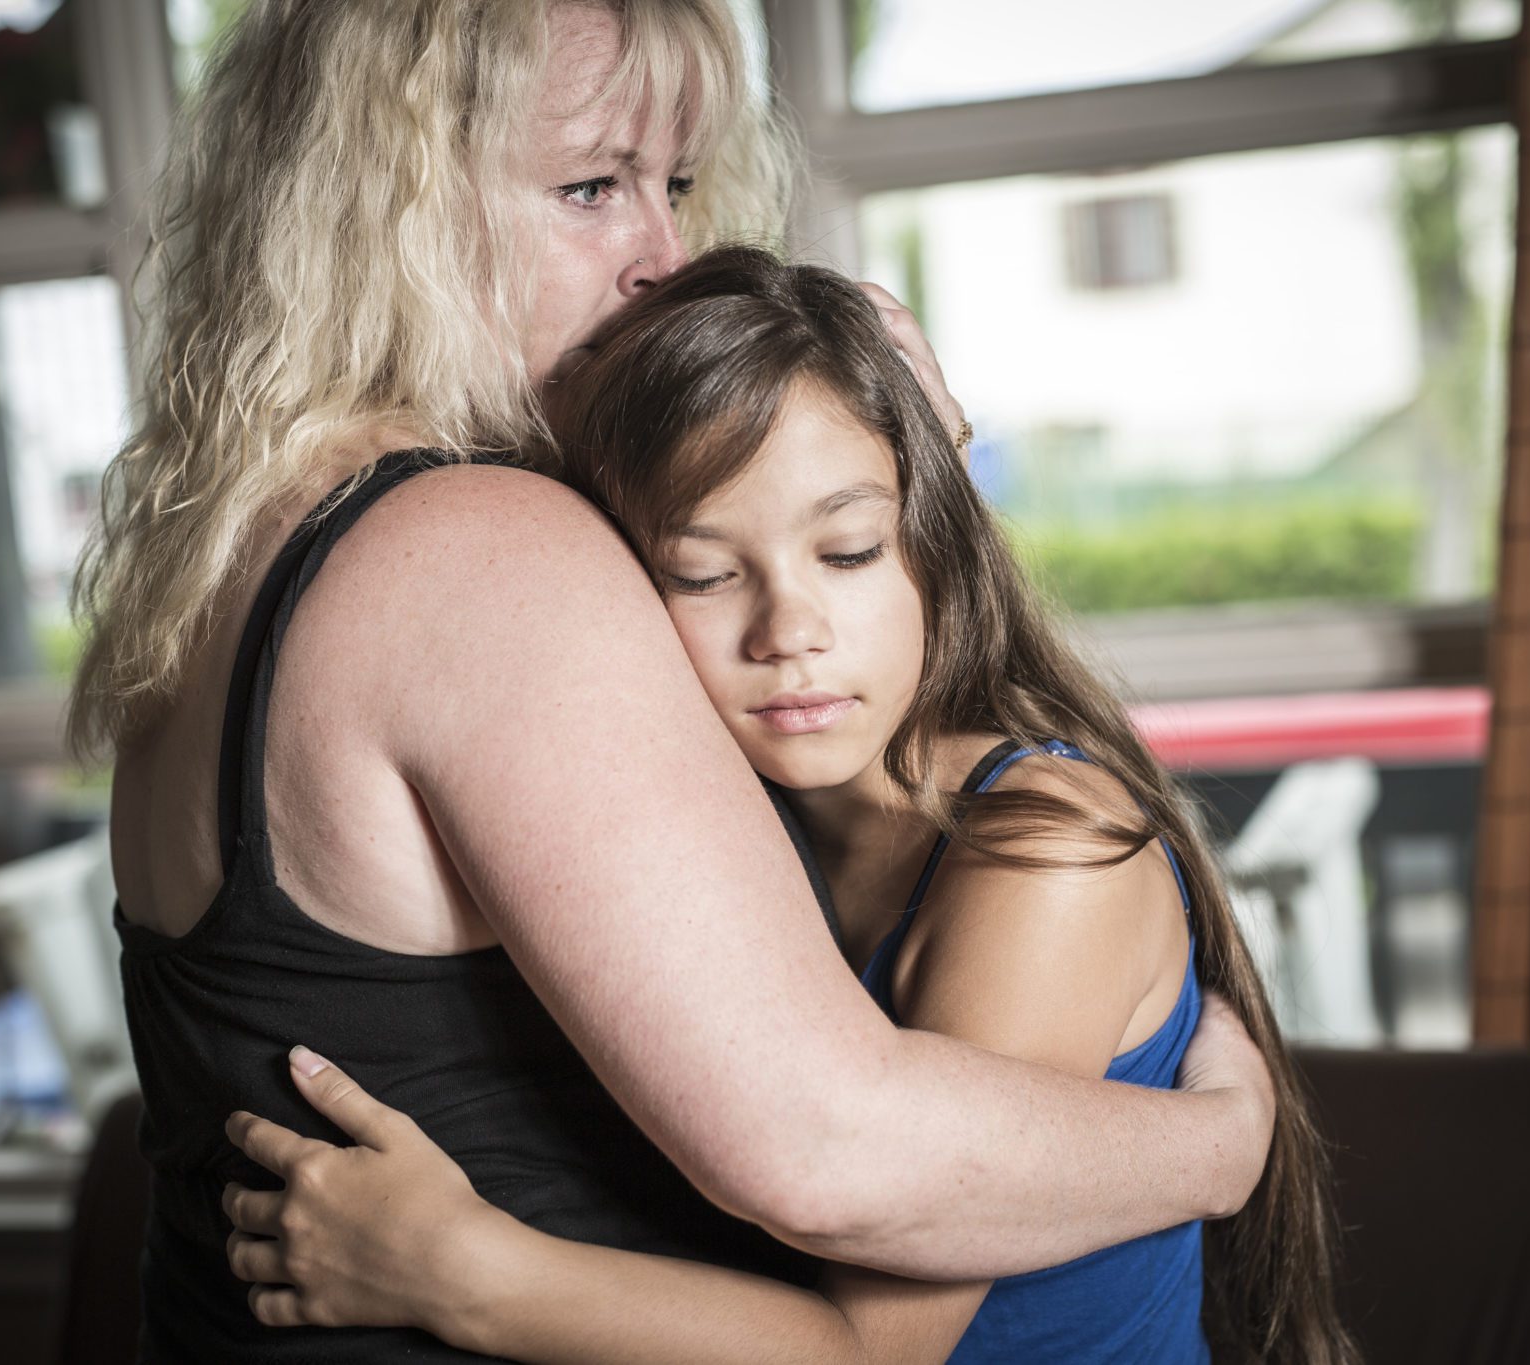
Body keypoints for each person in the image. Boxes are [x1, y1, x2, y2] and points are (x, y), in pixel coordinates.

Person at [71, 3, 1279, 1361]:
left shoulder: (235, 553)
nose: (664, 257)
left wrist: (880, 464)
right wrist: (1219, 1145)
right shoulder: (476, 552)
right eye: (592, 186)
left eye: (680, 183)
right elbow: (828, 1152)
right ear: (386, 210)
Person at [219, 247, 1357, 1363]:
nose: (788, 632)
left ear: (931, 543)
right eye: (705, 574)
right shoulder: (733, 828)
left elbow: (869, 1353)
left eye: (849, 551)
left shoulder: (1040, 856)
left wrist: (463, 1275)